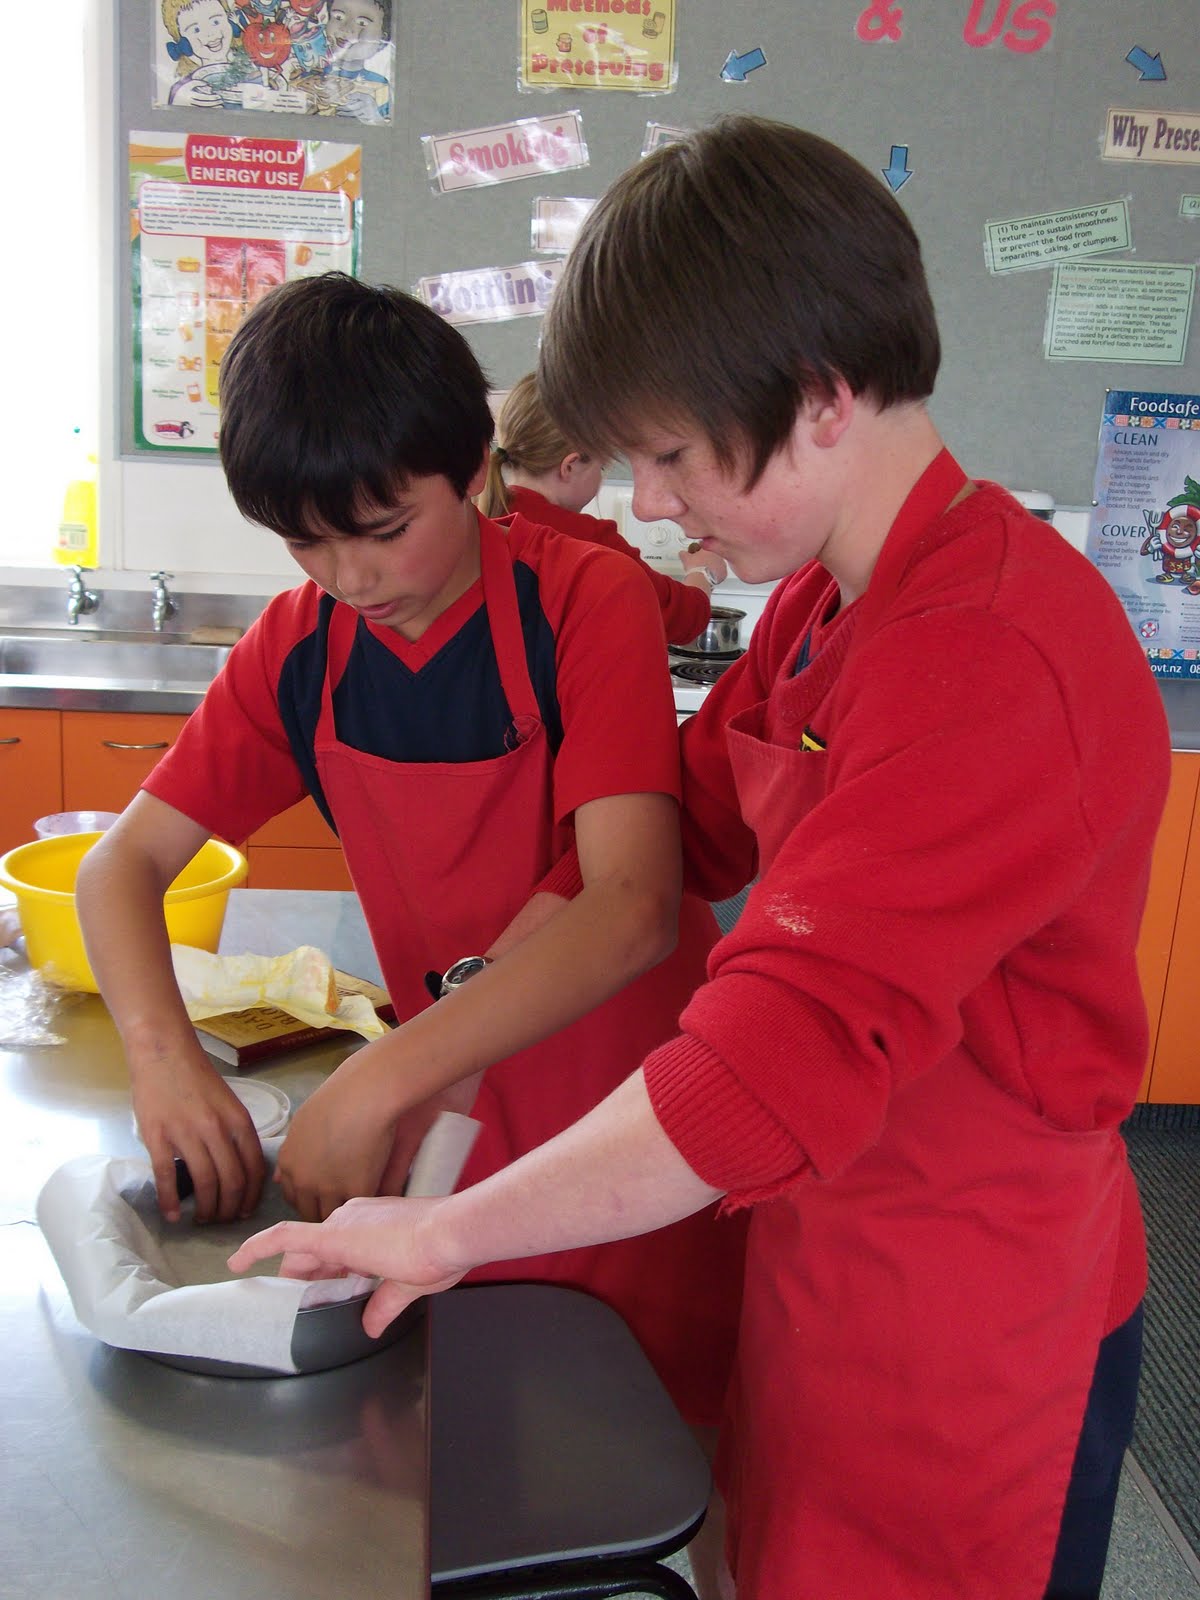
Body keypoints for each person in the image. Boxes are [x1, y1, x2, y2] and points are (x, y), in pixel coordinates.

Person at [230, 118, 1173, 1600]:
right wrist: (462, 1037)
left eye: (669, 456)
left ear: (822, 394)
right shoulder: (816, 612)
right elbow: (669, 838)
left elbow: (767, 1065)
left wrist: (449, 1230)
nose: (648, 504)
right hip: (812, 1253)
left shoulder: (990, 652)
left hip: (969, 1310)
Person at [74, 271, 746, 1440]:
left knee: (639, 1444)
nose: (352, 577)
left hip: (625, 1129)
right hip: (441, 1140)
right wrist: (163, 1061)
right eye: (307, 542)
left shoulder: (582, 602)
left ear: (475, 469)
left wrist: (380, 1073)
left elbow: (631, 902)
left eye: (384, 530)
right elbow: (115, 868)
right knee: (462, 1442)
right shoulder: (301, 647)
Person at [477, 372, 726, 645]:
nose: (600, 476)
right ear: (570, 466)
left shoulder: (479, 519)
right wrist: (703, 572)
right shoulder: (587, 541)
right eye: (602, 466)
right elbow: (681, 618)